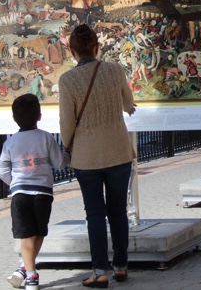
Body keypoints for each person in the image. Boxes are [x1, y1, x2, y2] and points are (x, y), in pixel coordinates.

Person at [59, 24, 137, 287]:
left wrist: (67, 144)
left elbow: (67, 122)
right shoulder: (115, 70)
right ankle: (122, 266)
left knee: (94, 213)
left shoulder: (67, 80)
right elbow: (129, 104)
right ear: (96, 47)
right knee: (118, 211)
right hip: (118, 151)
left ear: (72, 51)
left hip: (87, 155)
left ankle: (101, 271)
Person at [0, 94, 70, 290]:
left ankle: (28, 274)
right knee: (39, 232)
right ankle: (28, 271)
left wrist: (15, 183)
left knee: (25, 235)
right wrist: (67, 154)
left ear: (14, 118)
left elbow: (1, 170)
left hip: (20, 194)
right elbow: (58, 163)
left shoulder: (10, 142)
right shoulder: (46, 137)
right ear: (39, 116)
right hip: (43, 193)